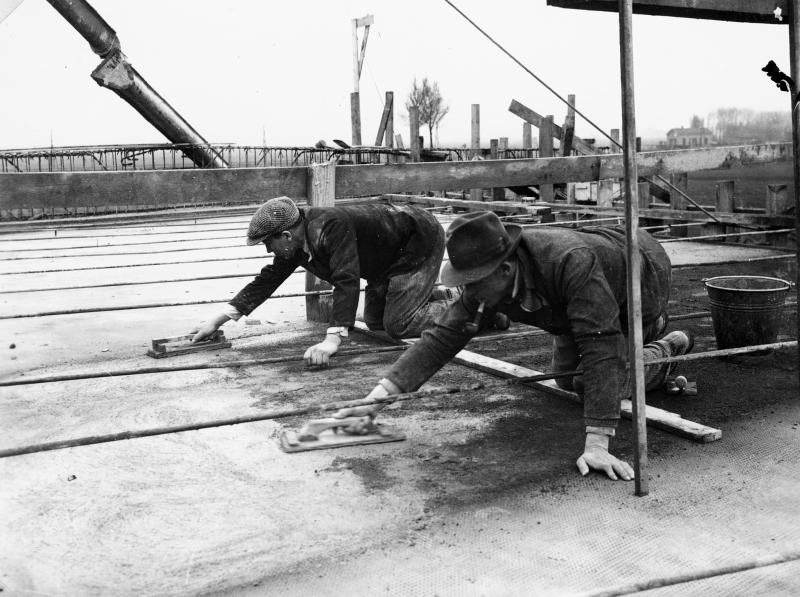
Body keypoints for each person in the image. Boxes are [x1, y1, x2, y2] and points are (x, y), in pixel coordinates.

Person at [335, 211, 694, 481]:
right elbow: (440, 339)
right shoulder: (488, 278)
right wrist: (373, 403)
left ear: (505, 271)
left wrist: (598, 443)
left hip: (640, 274)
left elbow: (600, 346)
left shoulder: (571, 262)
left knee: (594, 380)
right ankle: (641, 344)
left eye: (472, 283)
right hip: (574, 299)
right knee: (567, 381)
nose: (467, 292)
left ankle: (664, 346)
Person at [191, 196, 458, 365]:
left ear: (285, 235)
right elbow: (268, 280)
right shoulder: (295, 241)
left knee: (399, 324)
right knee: (376, 322)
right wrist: (217, 320)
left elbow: (347, 279)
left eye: (268, 244)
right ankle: (441, 298)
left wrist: (332, 340)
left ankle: (469, 304)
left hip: (416, 240)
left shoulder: (330, 228)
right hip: (384, 256)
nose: (268, 251)